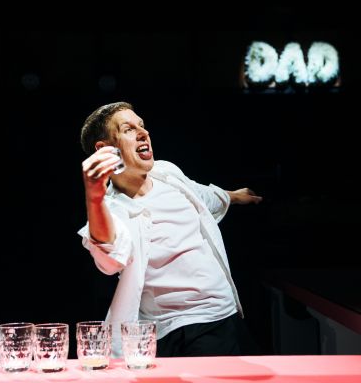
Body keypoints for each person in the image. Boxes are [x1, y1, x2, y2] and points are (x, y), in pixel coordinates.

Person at [78, 101, 262, 358]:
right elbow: (109, 258)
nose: (144, 133)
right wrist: (94, 197)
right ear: (105, 150)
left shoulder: (168, 173)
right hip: (161, 332)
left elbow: (203, 195)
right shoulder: (112, 208)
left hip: (216, 320)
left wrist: (236, 196)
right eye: (129, 129)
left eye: (142, 126)